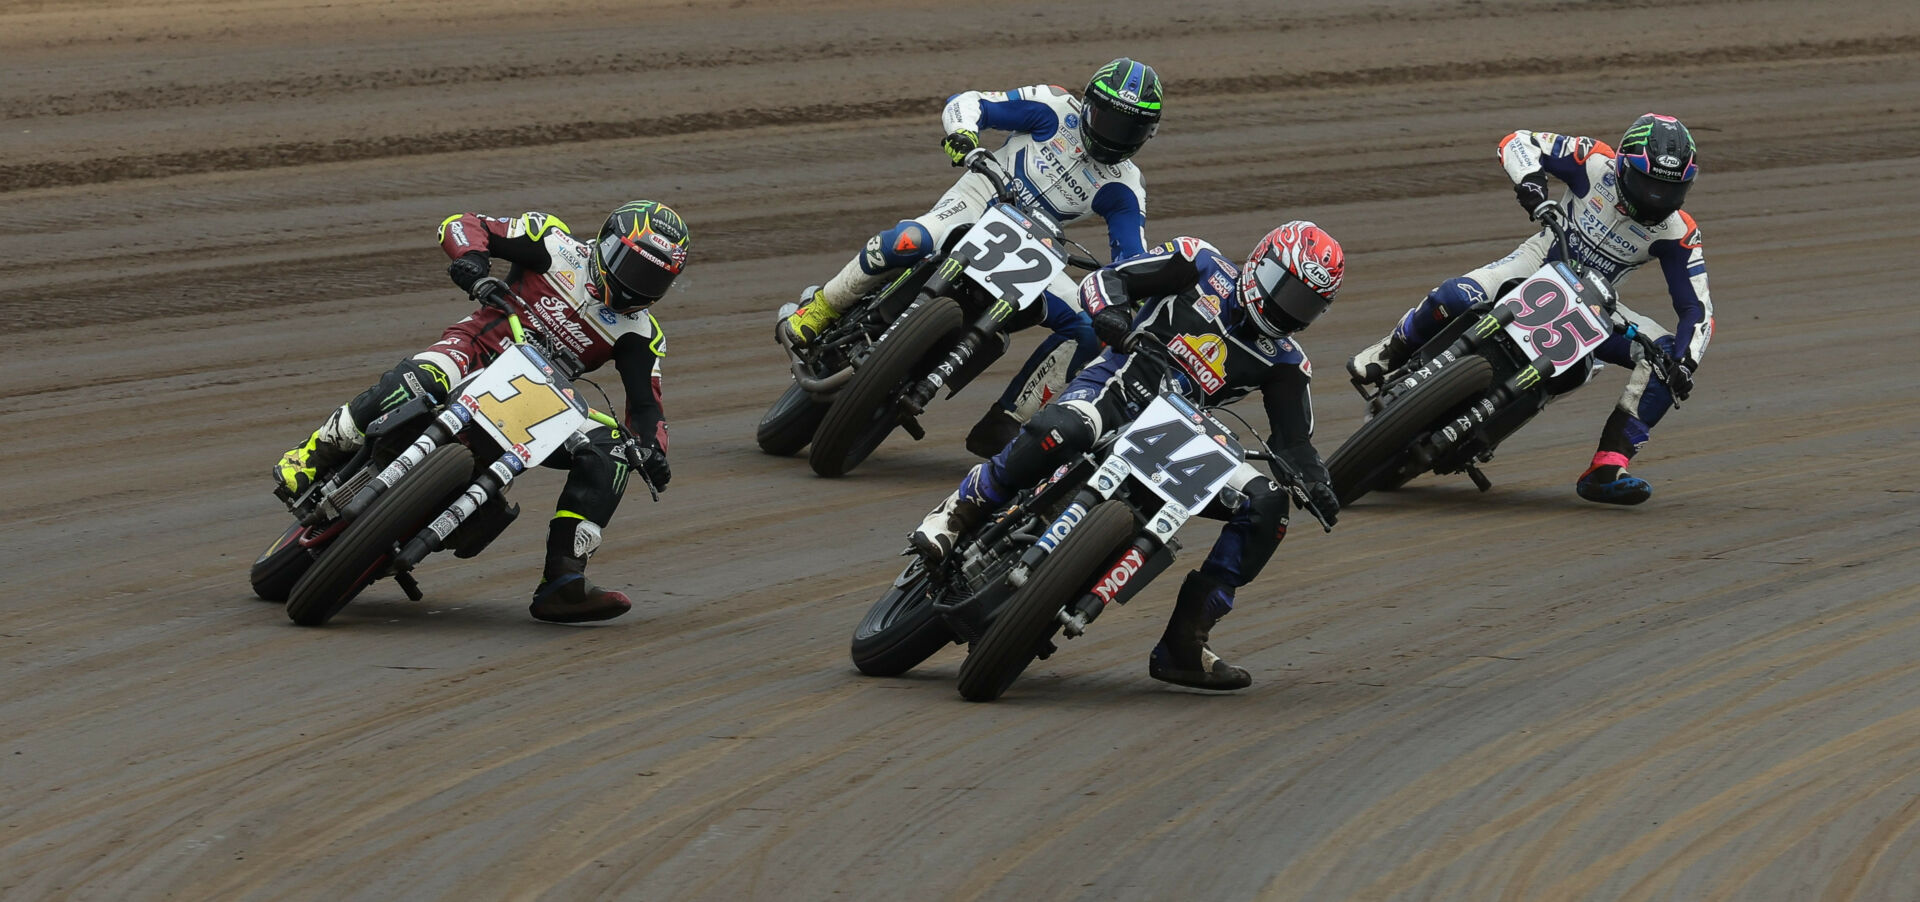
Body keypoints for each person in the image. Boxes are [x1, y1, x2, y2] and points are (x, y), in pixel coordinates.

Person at [910, 224, 1347, 691]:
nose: (1289, 309)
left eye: (1306, 304)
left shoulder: (1287, 361)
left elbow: (1294, 443)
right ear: (1261, 264)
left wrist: (1315, 480)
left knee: (1267, 506)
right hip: (1117, 386)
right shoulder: (1199, 262)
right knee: (1063, 430)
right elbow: (1106, 279)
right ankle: (957, 513)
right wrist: (1113, 316)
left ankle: (1184, 642)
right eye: (1287, 291)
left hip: (1184, 435)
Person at [271, 201, 685, 623]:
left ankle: (563, 581)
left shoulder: (641, 333)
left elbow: (648, 408)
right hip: (476, 352)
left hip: (539, 405)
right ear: (605, 244)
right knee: (418, 379)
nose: (638, 286)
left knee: (614, 452)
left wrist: (651, 451)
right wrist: (471, 262)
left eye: (654, 278)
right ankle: (308, 456)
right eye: (633, 268)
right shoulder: (552, 242)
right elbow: (465, 224)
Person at [780, 58, 1164, 454]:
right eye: (1109, 119)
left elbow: (1130, 260)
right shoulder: (1052, 106)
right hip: (978, 200)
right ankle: (822, 307)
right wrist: (963, 135)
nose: (1115, 135)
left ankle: (1010, 420)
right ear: (1088, 105)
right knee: (909, 240)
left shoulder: (1125, 185)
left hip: (1036, 252)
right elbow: (971, 103)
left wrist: (1121, 301)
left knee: (1089, 329)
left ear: (1146, 134)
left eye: (1129, 128)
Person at [1347, 114, 1712, 505]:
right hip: (1535, 265)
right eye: (1647, 183)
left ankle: (1608, 466)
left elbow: (1698, 309)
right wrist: (1533, 188)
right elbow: (1518, 141)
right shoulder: (1593, 159)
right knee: (1456, 296)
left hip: (1597, 306)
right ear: (1623, 167)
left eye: (1668, 189)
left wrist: (1684, 363)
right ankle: (1391, 350)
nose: (1655, 198)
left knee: (1666, 357)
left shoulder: (1680, 232)